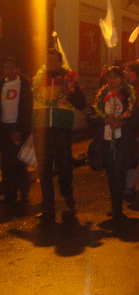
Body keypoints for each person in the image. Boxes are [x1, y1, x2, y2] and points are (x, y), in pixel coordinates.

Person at [32, 48, 86, 220]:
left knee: (64, 166)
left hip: (61, 129)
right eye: (48, 60)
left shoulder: (68, 80)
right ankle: (48, 207)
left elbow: (81, 103)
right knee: (44, 170)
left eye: (54, 60)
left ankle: (66, 192)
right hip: (42, 131)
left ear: (60, 62)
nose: (51, 63)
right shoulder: (39, 79)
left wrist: (69, 91)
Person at [89, 66, 139, 221]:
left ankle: (118, 207)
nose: (112, 80)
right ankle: (115, 206)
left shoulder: (129, 95)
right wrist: (104, 120)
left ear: (122, 79)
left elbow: (136, 117)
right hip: (105, 140)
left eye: (116, 77)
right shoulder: (101, 95)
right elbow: (91, 115)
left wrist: (121, 123)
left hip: (122, 141)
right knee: (111, 174)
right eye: (109, 77)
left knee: (120, 172)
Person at [0, 57, 32, 205]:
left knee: (19, 161)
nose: (9, 70)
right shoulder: (2, 84)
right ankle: (9, 194)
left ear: (18, 69)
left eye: (12, 67)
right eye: (7, 67)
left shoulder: (24, 85)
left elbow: (27, 109)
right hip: (4, 128)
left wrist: (20, 129)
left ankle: (24, 192)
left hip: (18, 127)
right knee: (6, 162)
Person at [123, 61, 139, 199]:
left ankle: (130, 186)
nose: (125, 71)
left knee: (132, 158)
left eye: (128, 69)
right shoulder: (124, 86)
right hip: (122, 127)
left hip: (134, 127)